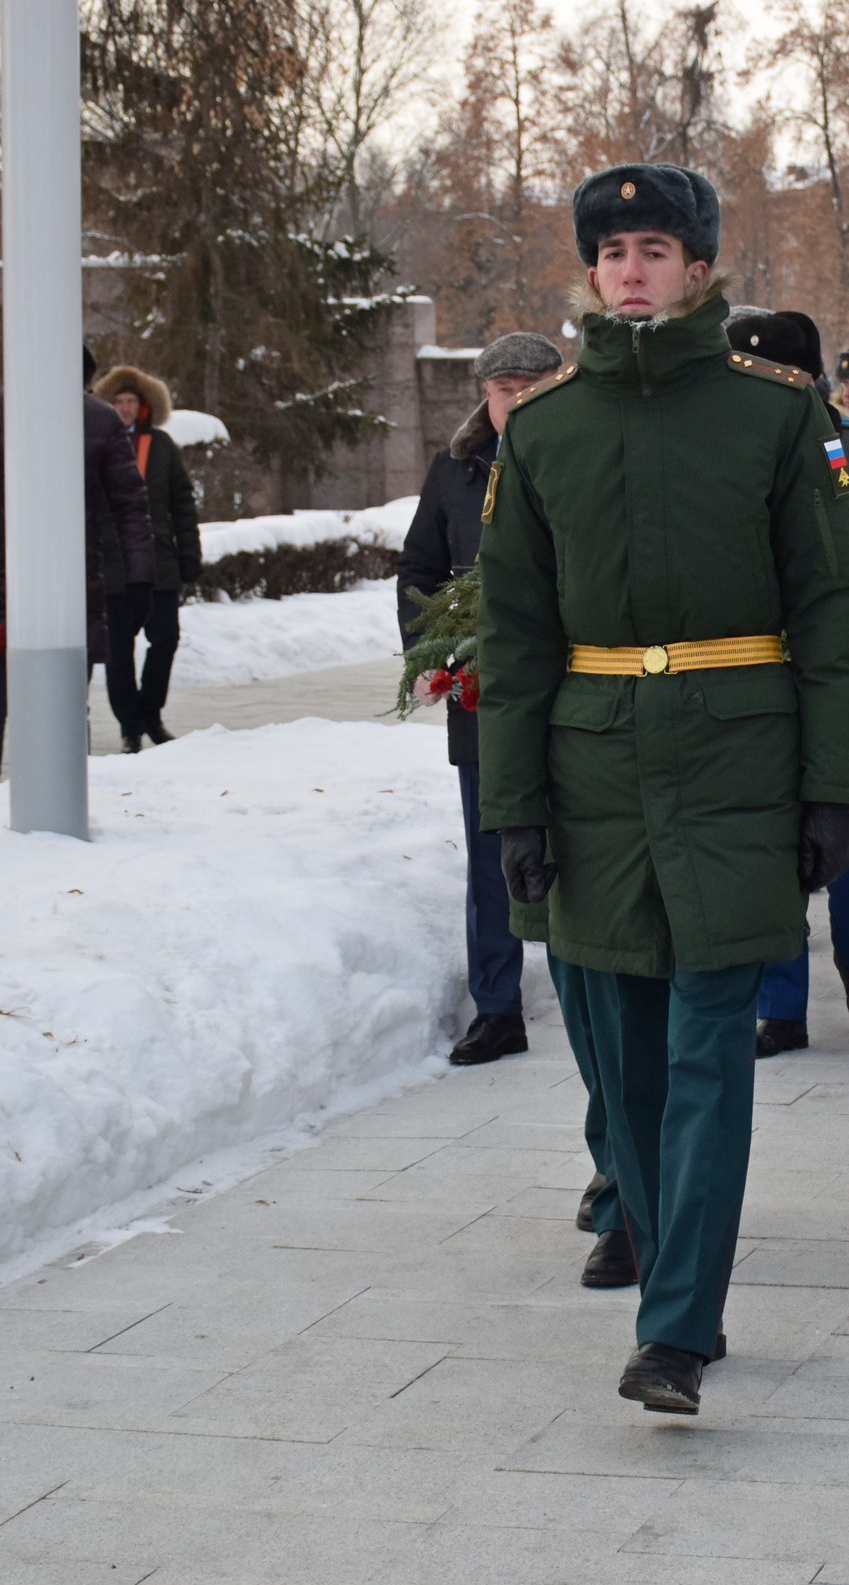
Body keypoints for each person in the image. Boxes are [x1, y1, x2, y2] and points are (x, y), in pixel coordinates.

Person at [474, 163, 849, 1414]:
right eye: (614, 251)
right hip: (592, 772)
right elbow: (517, 633)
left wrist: (834, 785)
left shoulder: (772, 416)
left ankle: (678, 1327)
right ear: (590, 271)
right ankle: (666, 1274)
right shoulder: (543, 429)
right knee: (622, 1061)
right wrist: (516, 809)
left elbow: (831, 608)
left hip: (736, 766)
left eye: (657, 247)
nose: (633, 268)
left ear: (699, 269)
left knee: (709, 1045)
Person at [724, 310, 849, 1056]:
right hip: (751, 676)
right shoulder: (718, 447)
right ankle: (782, 1006)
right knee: (767, 840)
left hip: (843, 672)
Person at [392, 331, 565, 1070]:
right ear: (485, 395)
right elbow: (419, 567)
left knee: (578, 846)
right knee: (492, 849)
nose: (518, 402)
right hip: (484, 693)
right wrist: (439, 652)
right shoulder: (455, 470)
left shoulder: (586, 454)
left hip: (576, 689)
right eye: (505, 390)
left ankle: (588, 987)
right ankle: (497, 1007)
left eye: (532, 387)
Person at [0, 349, 156, 791]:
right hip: (1, 588)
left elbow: (131, 505)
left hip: (73, 588)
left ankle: (65, 795)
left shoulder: (99, 421)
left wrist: (140, 576)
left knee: (66, 703)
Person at [91, 364, 204, 752]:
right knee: (119, 651)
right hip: (114, 568)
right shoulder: (95, 444)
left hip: (160, 564)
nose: (124, 408)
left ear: (144, 406)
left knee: (165, 640)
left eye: (131, 402)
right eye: (118, 401)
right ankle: (130, 726)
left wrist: (190, 553)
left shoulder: (160, 446)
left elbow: (182, 504)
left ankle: (151, 713)